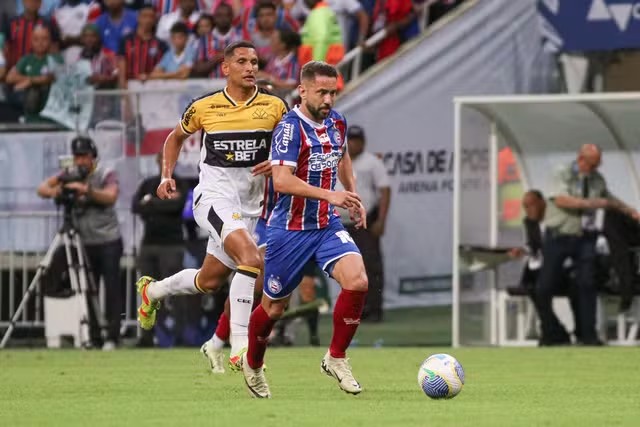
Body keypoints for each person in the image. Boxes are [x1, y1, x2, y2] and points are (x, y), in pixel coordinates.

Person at [135, 40, 288, 370]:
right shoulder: (205, 106)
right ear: (226, 67)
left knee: (209, 281)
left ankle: (154, 292)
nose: (251, 67)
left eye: (255, 62)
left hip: (249, 206)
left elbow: (290, 147)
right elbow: (174, 137)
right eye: (243, 61)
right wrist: (166, 175)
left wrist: (276, 160)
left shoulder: (275, 107)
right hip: (213, 198)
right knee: (250, 259)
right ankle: (240, 345)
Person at [242, 61, 368, 398]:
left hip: (326, 224)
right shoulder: (289, 128)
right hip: (289, 231)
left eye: (333, 92)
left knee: (357, 280)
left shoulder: (338, 121)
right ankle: (253, 364)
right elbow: (281, 181)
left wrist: (352, 195)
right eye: (322, 92)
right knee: (274, 308)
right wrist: (333, 194)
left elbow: (342, 158)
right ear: (303, 90)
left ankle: (336, 357)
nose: (328, 99)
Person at [537, 144, 640, 346]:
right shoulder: (562, 173)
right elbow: (561, 200)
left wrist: (631, 211)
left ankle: (588, 335)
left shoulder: (596, 179)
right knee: (545, 286)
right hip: (559, 236)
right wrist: (591, 203)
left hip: (584, 237)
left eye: (598, 164)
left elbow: (609, 199)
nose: (596, 168)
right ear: (582, 159)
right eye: (593, 164)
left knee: (587, 284)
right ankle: (552, 331)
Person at [37, 136, 123, 350]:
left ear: (92, 156)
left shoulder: (105, 172)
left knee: (111, 288)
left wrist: (87, 190)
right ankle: (93, 336)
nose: (81, 161)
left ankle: (112, 336)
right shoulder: (69, 174)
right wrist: (61, 190)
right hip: (83, 242)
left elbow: (111, 196)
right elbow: (42, 188)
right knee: (86, 289)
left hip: (108, 240)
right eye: (77, 157)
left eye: (84, 156)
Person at [132, 151, 188, 347]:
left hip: (171, 245)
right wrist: (164, 203)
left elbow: (177, 206)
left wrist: (151, 203)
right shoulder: (148, 183)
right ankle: (146, 337)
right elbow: (136, 207)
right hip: (149, 244)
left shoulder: (180, 183)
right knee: (146, 292)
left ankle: (180, 336)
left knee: (175, 292)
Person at [508, 190, 580, 342]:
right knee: (533, 285)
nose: (528, 210)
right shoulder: (529, 222)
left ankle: (553, 332)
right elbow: (534, 247)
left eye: (531, 205)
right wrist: (523, 250)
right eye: (525, 207)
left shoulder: (558, 220)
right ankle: (554, 330)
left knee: (540, 287)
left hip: (565, 270)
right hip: (543, 271)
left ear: (542, 203)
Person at [336, 125, 390, 322]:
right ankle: (352, 311)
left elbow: (384, 191)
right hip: (337, 221)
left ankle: (374, 309)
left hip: (364, 221)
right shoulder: (336, 159)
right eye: (351, 140)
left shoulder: (372, 163)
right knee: (346, 268)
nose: (354, 143)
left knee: (371, 265)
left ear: (363, 142)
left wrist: (382, 220)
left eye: (357, 140)